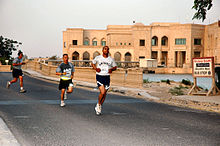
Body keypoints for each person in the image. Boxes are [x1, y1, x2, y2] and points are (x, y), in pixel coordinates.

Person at [91, 46, 117, 115]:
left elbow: (115, 67)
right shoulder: (98, 57)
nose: (106, 50)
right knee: (102, 92)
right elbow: (92, 63)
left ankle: (99, 106)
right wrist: (96, 68)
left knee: (104, 94)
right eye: (105, 49)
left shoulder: (111, 59)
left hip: (107, 77)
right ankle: (99, 104)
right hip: (99, 76)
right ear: (102, 50)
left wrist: (112, 69)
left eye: (108, 49)